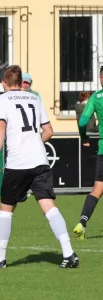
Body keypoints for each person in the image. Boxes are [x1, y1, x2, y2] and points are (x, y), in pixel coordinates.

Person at [0, 65, 78, 268]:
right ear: (20, 82)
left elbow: (0, 127)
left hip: (18, 163)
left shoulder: (2, 98)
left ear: (4, 84)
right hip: (40, 161)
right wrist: (34, 144)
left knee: (6, 210)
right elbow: (49, 130)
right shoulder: (34, 98)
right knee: (49, 207)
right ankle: (69, 254)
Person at [74, 67, 103, 240]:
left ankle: (82, 223)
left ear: (100, 78)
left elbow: (83, 121)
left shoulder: (96, 97)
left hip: (102, 149)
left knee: (97, 188)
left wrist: (83, 136)